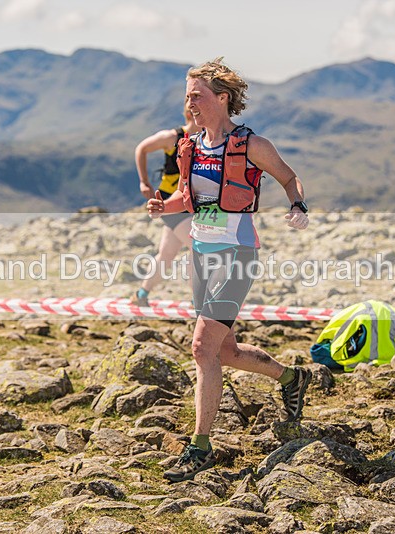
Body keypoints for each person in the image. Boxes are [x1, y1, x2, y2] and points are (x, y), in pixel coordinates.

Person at [147, 58, 313, 482]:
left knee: (201, 347)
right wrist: (161, 207)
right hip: (201, 255)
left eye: (197, 95)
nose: (189, 102)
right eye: (187, 95)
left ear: (222, 98)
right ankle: (291, 378)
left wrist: (297, 205)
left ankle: (200, 447)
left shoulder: (250, 145)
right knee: (226, 352)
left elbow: (289, 178)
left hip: (237, 256)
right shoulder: (191, 146)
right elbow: (188, 198)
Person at [130, 103, 200, 306]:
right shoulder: (173, 137)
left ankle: (141, 295)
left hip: (190, 204)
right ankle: (198, 300)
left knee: (166, 255)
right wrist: (144, 181)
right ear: (188, 113)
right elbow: (141, 148)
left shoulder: (206, 139)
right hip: (170, 203)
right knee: (198, 247)